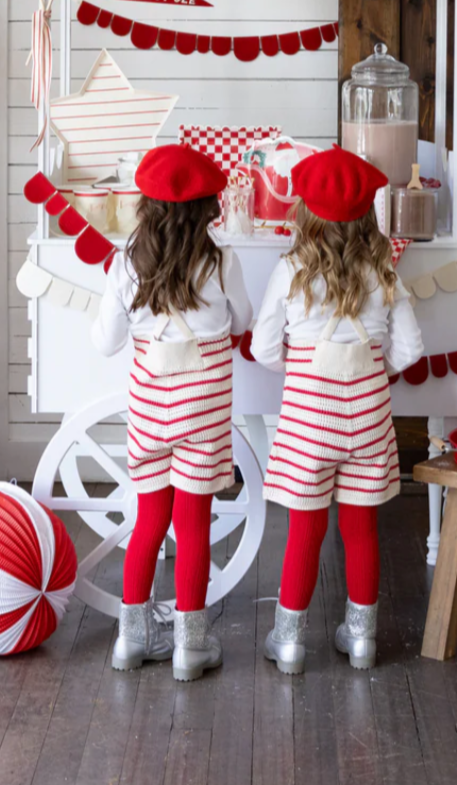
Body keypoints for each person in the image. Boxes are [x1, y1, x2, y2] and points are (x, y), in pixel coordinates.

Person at [251, 146, 424, 674]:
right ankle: (363, 638)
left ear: (304, 212)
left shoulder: (290, 270)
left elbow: (262, 348)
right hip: (368, 416)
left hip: (307, 420)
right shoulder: (384, 273)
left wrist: (298, 370)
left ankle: (289, 642)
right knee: (360, 528)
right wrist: (377, 365)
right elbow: (411, 350)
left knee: (305, 530)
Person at [92, 144, 252, 682]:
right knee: (194, 525)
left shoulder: (125, 263)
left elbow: (105, 343)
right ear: (209, 207)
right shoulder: (221, 259)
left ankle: (130, 641)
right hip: (203, 413)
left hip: (150, 413)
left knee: (148, 524)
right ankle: (191, 644)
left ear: (146, 205)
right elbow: (242, 321)